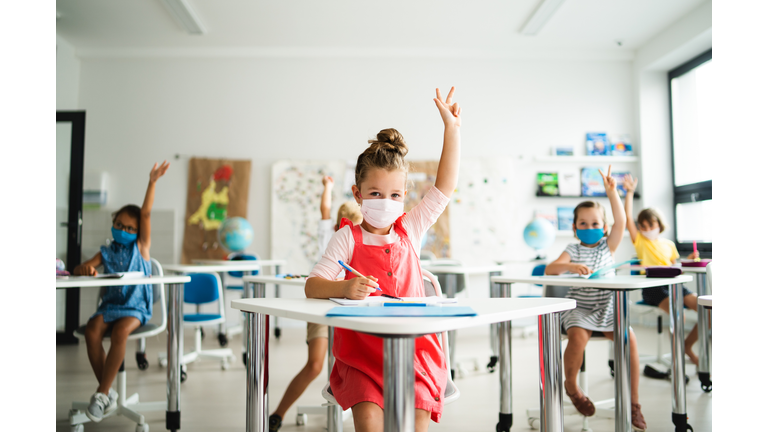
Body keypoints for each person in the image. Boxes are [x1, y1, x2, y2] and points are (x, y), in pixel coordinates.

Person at [305, 87, 461, 432]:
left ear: (404, 196)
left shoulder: (412, 228)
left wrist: (452, 129)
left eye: (393, 195)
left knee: (417, 421)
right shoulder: (347, 237)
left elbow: (445, 187)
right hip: (361, 357)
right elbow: (312, 286)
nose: (384, 201)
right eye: (375, 194)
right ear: (358, 194)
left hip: (415, 352)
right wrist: (345, 287)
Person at [545, 166, 647, 431]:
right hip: (579, 308)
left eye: (595, 223)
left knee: (630, 339)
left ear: (604, 227)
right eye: (583, 224)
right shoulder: (572, 249)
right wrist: (570, 266)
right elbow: (550, 269)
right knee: (578, 336)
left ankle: (634, 404)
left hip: (608, 307)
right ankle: (572, 386)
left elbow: (622, 222)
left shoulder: (607, 246)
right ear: (574, 227)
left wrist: (612, 192)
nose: (589, 227)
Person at [74, 161, 170, 423]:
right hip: (110, 305)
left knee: (120, 332)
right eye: (119, 224)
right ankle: (108, 393)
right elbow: (83, 267)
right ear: (113, 224)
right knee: (92, 331)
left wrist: (152, 182)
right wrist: (86, 269)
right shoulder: (106, 252)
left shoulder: (141, 247)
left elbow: (146, 213)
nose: (124, 230)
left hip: (135, 307)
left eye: (130, 227)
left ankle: (102, 394)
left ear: (138, 232)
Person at [268, 175, 363, 431]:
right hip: (322, 307)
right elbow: (324, 210)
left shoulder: (365, 239)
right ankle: (278, 413)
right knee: (315, 365)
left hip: (350, 311)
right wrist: (328, 188)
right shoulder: (332, 235)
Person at [623, 174, 700, 366]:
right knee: (677, 315)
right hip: (654, 289)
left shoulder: (669, 244)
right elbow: (626, 219)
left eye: (651, 224)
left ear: (659, 224)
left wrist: (687, 261)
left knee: (707, 310)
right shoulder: (640, 242)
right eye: (643, 226)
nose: (647, 228)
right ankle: (678, 356)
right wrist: (630, 193)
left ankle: (686, 345)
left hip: (675, 285)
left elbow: (676, 266)